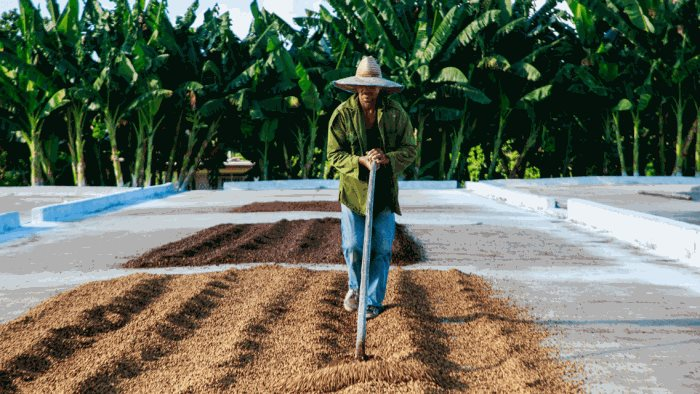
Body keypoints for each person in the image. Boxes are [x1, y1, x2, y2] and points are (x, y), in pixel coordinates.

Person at [326, 56, 416, 319]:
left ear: (380, 88)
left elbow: (410, 149)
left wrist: (388, 158)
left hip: (384, 191)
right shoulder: (342, 115)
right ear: (355, 87)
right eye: (363, 86)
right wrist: (359, 161)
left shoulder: (396, 114)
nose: (367, 91)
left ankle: (373, 301)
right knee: (354, 246)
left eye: (372, 86)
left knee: (382, 248)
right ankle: (355, 288)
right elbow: (334, 154)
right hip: (354, 191)